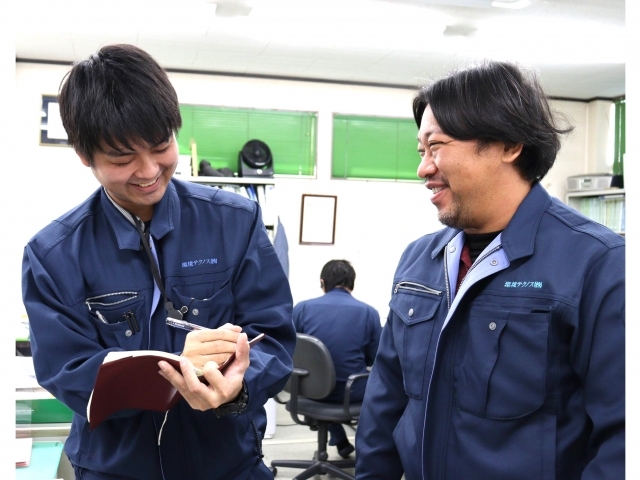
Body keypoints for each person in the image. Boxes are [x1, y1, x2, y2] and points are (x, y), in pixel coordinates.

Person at [22, 44, 296, 480]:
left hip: (227, 464)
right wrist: (170, 373)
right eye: (122, 158)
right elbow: (65, 370)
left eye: (161, 146)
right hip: (116, 469)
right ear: (85, 156)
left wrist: (239, 384)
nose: (149, 171)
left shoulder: (235, 221)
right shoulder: (52, 255)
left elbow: (274, 336)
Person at [355, 61, 625, 479]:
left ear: (509, 144)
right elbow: (385, 404)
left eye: (436, 146)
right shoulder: (419, 260)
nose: (423, 168)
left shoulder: (599, 265)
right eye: (421, 151)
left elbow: (623, 442)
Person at [293, 259, 381, 458]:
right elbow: (374, 358)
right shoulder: (369, 312)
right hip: (351, 392)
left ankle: (339, 438)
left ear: (322, 282)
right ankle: (368, 451)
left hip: (309, 390)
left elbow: (292, 352)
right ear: (352, 283)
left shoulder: (301, 309)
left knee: (320, 379)